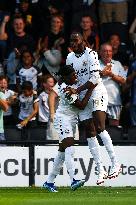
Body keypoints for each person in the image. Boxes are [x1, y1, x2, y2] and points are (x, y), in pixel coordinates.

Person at [66, 32, 121, 185]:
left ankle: (115, 163)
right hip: (82, 95)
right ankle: (100, 169)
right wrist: (70, 89)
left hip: (96, 92)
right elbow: (70, 78)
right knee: (89, 131)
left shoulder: (91, 54)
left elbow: (95, 79)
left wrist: (78, 91)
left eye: (76, 40)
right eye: (71, 40)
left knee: (99, 126)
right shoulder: (69, 58)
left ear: (83, 40)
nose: (73, 43)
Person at [43, 65, 92, 192]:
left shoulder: (66, 83)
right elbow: (81, 106)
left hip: (71, 120)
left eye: (75, 74)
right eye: (72, 75)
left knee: (62, 152)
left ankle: (49, 182)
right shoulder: (65, 90)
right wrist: (90, 89)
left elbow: (61, 79)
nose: (75, 76)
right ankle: (73, 179)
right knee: (70, 149)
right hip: (63, 120)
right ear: (66, 77)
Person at [99, 43, 126, 127]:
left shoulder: (117, 64)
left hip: (114, 100)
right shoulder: (94, 63)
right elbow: (89, 79)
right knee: (99, 126)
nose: (108, 53)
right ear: (100, 52)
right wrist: (101, 73)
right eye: (105, 51)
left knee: (114, 127)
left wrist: (112, 75)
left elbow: (123, 81)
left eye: (110, 51)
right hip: (98, 100)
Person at [38, 75, 57, 139]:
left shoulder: (57, 95)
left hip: (52, 121)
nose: (53, 84)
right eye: (50, 82)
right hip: (43, 121)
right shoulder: (41, 95)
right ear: (44, 84)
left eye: (53, 82)